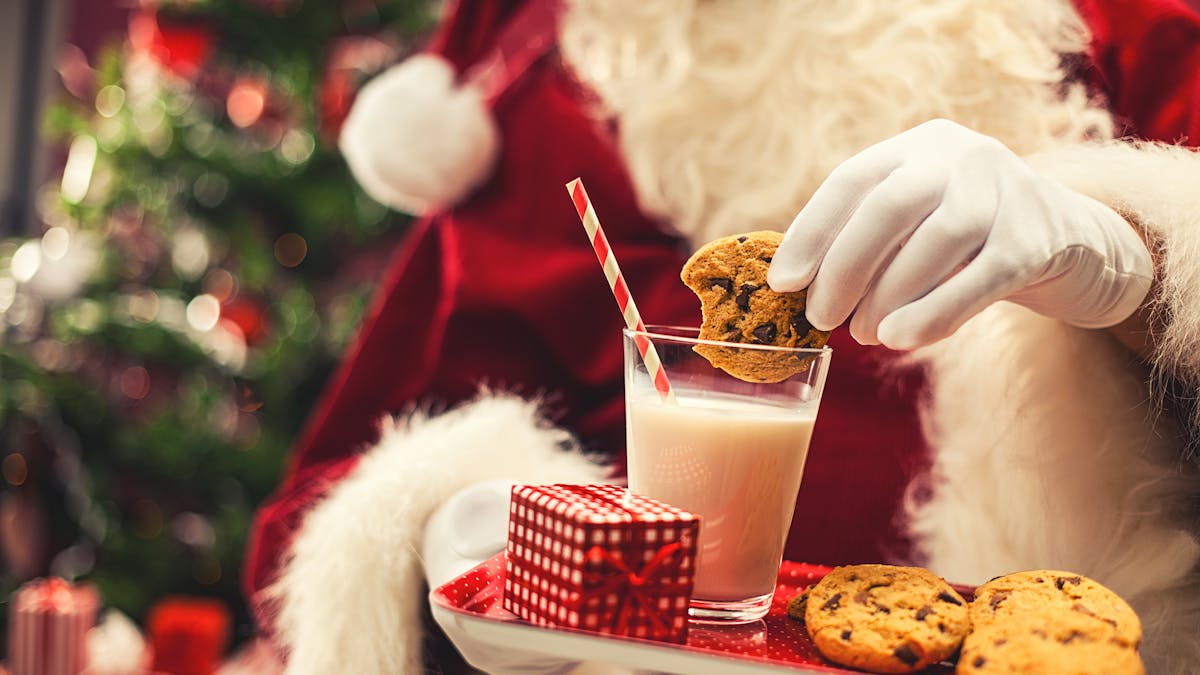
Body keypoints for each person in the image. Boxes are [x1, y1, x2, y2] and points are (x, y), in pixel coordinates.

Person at [243, 0, 1200, 672]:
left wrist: (1136, 261)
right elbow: (346, 489)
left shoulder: (1122, 22)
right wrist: (462, 554)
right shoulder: (568, 81)